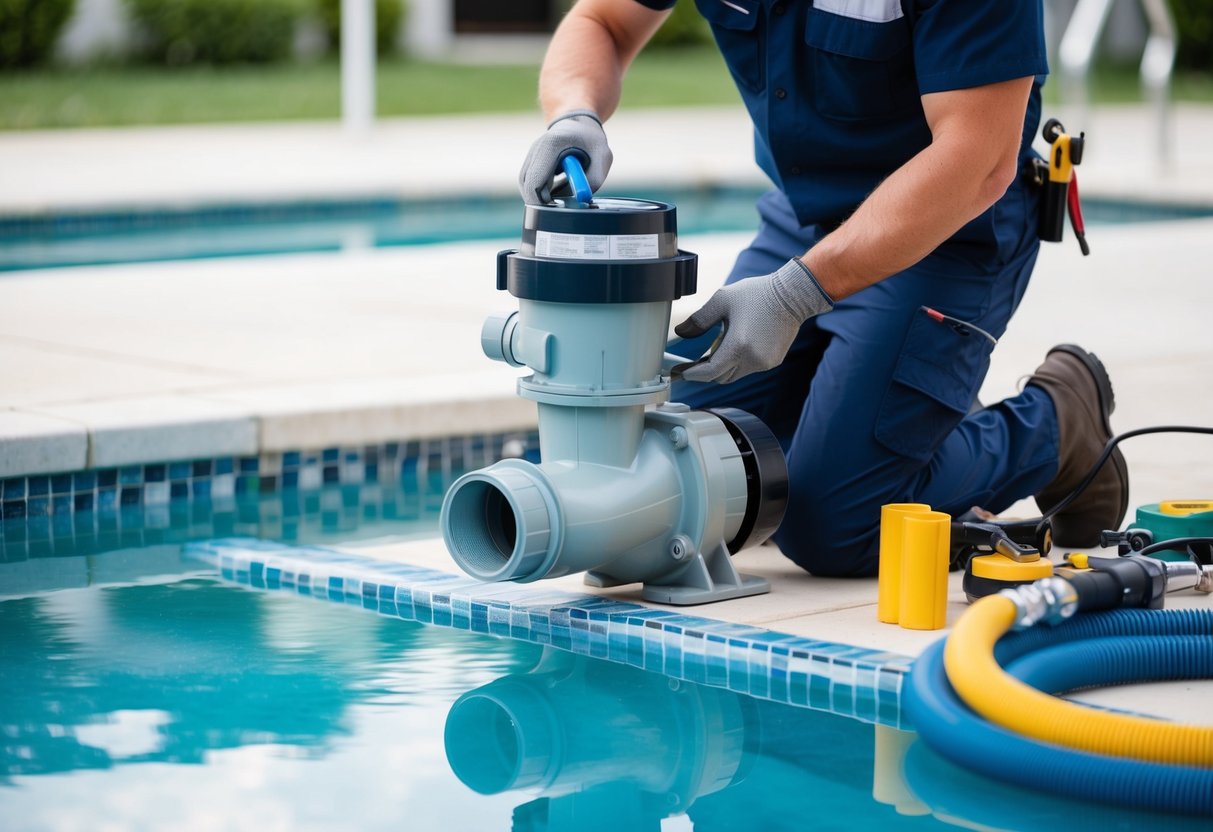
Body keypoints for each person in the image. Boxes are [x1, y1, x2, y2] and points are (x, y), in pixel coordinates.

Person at [517, 0, 1128, 577]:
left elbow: (980, 158)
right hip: (805, 218)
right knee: (699, 465)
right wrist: (575, 111)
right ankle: (897, 408)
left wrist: (794, 294)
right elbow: (603, 21)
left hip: (948, 228)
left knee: (830, 522)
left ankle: (1059, 421)